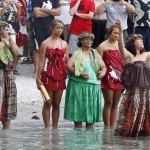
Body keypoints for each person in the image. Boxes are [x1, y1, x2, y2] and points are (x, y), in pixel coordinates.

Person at [114, 20, 150, 137]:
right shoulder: (129, 57)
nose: (142, 41)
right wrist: (119, 30)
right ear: (133, 43)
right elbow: (121, 47)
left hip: (146, 93)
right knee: (133, 114)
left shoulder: (146, 55)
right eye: (139, 40)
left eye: (142, 40)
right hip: (134, 93)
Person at [64, 32, 106, 128]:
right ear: (81, 41)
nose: (89, 41)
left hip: (93, 86)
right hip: (78, 85)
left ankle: (90, 140)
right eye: (87, 39)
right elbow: (68, 66)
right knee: (78, 113)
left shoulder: (95, 53)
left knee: (91, 115)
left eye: (91, 39)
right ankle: (78, 139)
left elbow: (103, 66)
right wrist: (79, 73)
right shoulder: (77, 53)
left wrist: (102, 73)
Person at [36, 19, 69, 129]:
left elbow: (67, 61)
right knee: (47, 103)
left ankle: (55, 128)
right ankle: (46, 128)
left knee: (57, 103)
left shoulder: (64, 44)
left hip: (60, 75)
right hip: (48, 74)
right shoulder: (45, 43)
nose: (60, 30)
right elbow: (41, 62)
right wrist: (37, 78)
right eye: (57, 28)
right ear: (52, 29)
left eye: (61, 28)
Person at [97, 23, 124, 127]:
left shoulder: (120, 45)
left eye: (118, 33)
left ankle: (112, 127)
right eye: (114, 33)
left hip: (119, 76)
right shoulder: (102, 46)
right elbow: (98, 62)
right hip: (107, 76)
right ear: (109, 33)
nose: (116, 35)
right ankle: (107, 127)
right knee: (108, 102)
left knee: (116, 103)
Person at [32, 0, 61, 78]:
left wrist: (44, 10)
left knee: (51, 48)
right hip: (38, 27)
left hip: (51, 27)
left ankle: (50, 69)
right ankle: (37, 71)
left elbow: (58, 12)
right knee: (38, 48)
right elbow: (37, 14)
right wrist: (51, 12)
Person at [0, 21, 17, 129]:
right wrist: (4, 40)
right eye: (1, 28)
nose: (2, 30)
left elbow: (16, 53)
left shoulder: (7, 40)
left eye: (4, 28)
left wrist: (9, 39)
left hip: (8, 74)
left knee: (7, 112)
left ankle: (6, 140)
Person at [0, 0, 22, 75]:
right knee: (2, 47)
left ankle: (13, 68)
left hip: (10, 27)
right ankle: (4, 66)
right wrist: (7, 4)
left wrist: (19, 8)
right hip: (1, 27)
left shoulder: (12, 2)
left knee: (14, 48)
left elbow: (17, 16)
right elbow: (1, 13)